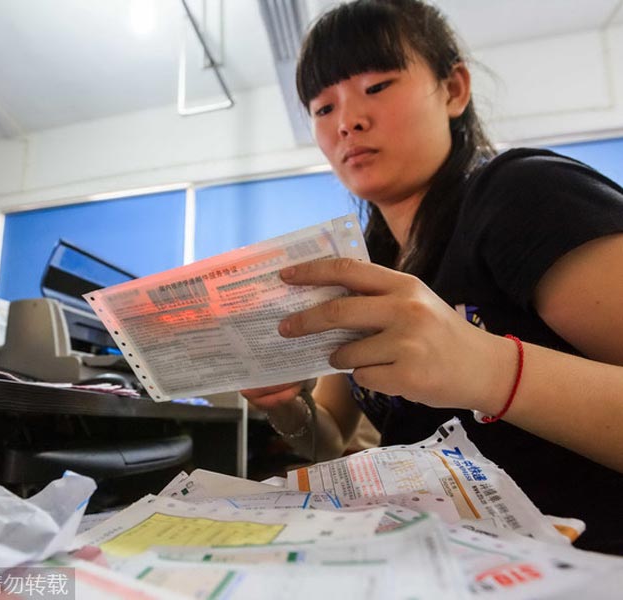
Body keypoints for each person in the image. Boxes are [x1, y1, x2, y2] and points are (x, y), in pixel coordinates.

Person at [242, 0, 623, 554]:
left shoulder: (525, 196)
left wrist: (487, 368)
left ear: (454, 90)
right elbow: (330, 435)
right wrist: (285, 405)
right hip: (431, 560)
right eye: (323, 107)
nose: (348, 120)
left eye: (377, 86)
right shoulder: (362, 263)